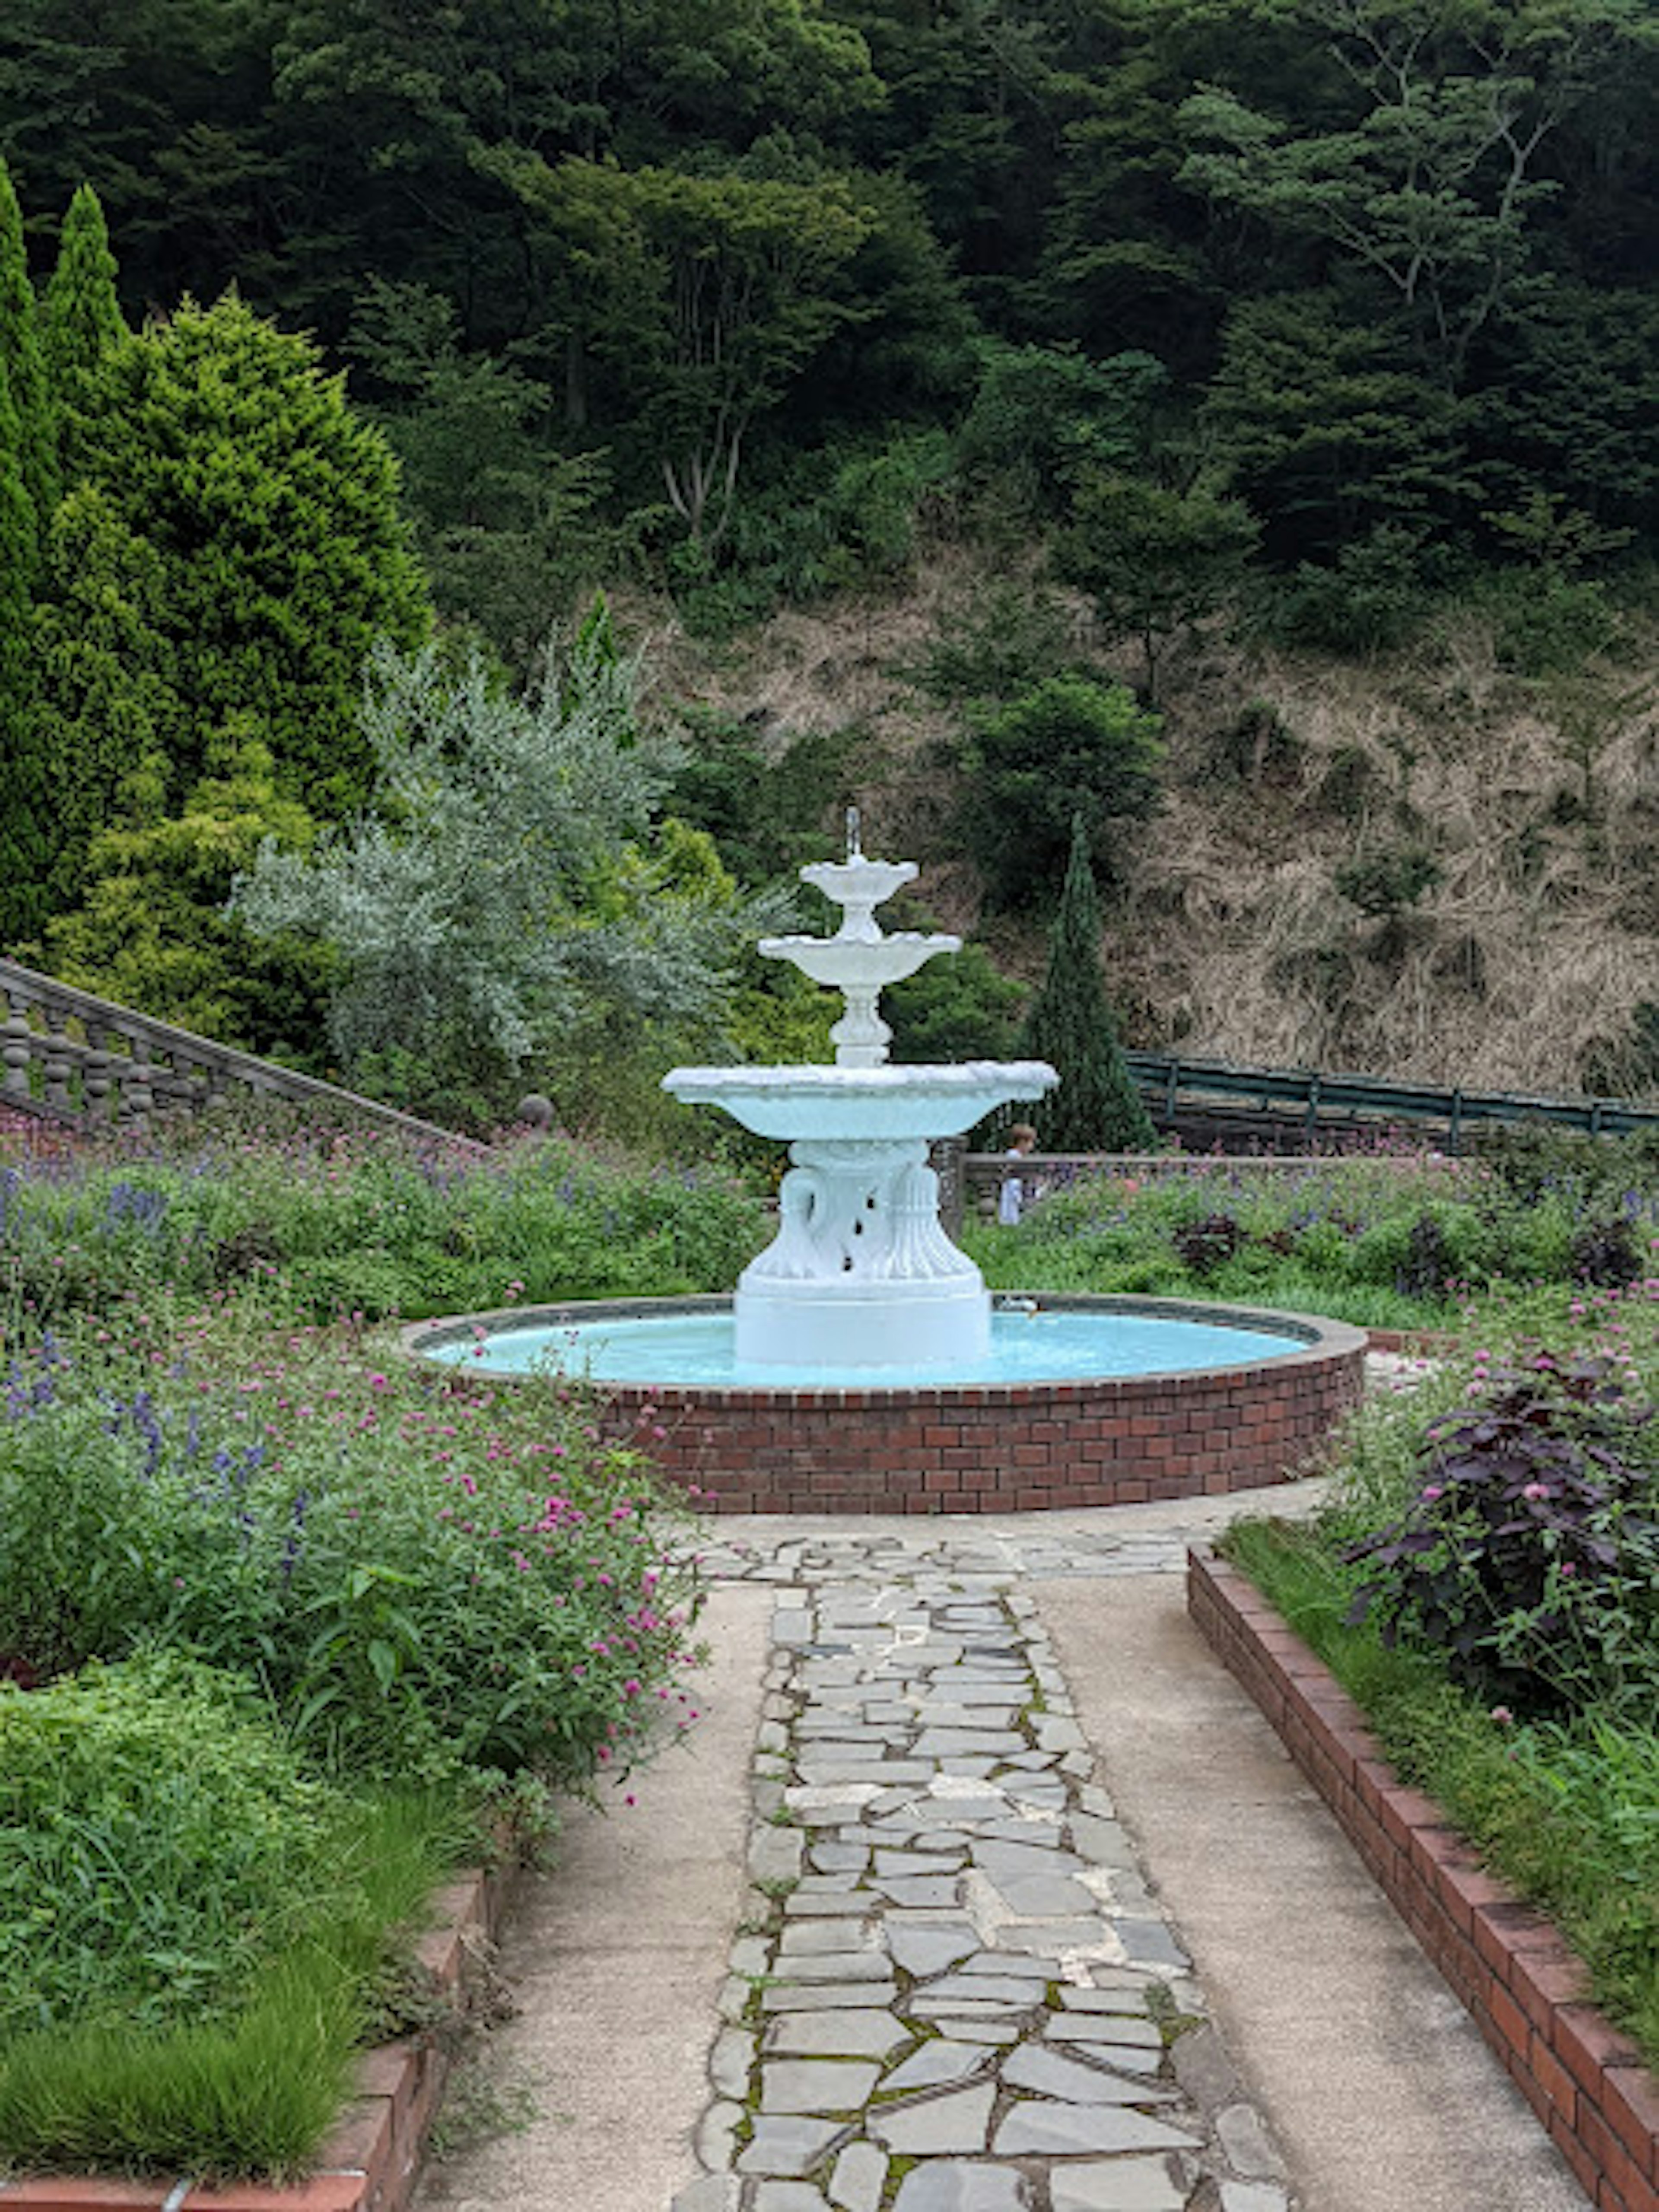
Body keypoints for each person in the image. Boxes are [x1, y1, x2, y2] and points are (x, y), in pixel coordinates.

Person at [999, 1123, 1038, 1225]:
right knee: (1011, 1215)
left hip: (1016, 1191)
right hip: (1013, 1193)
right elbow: (1013, 1179)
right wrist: (1020, 1199)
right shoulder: (1014, 1156)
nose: (1032, 1146)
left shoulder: (1020, 1156)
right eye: (1030, 1142)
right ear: (1021, 1142)